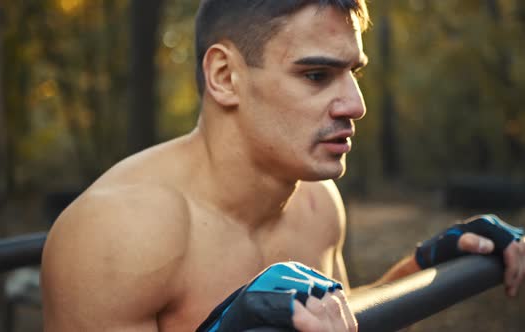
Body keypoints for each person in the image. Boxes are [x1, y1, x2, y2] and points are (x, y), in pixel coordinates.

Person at [41, 1, 525, 331]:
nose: (355, 105)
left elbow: (339, 317)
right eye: (316, 75)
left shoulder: (315, 200)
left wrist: (426, 267)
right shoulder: (113, 235)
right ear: (225, 76)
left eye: (352, 73)